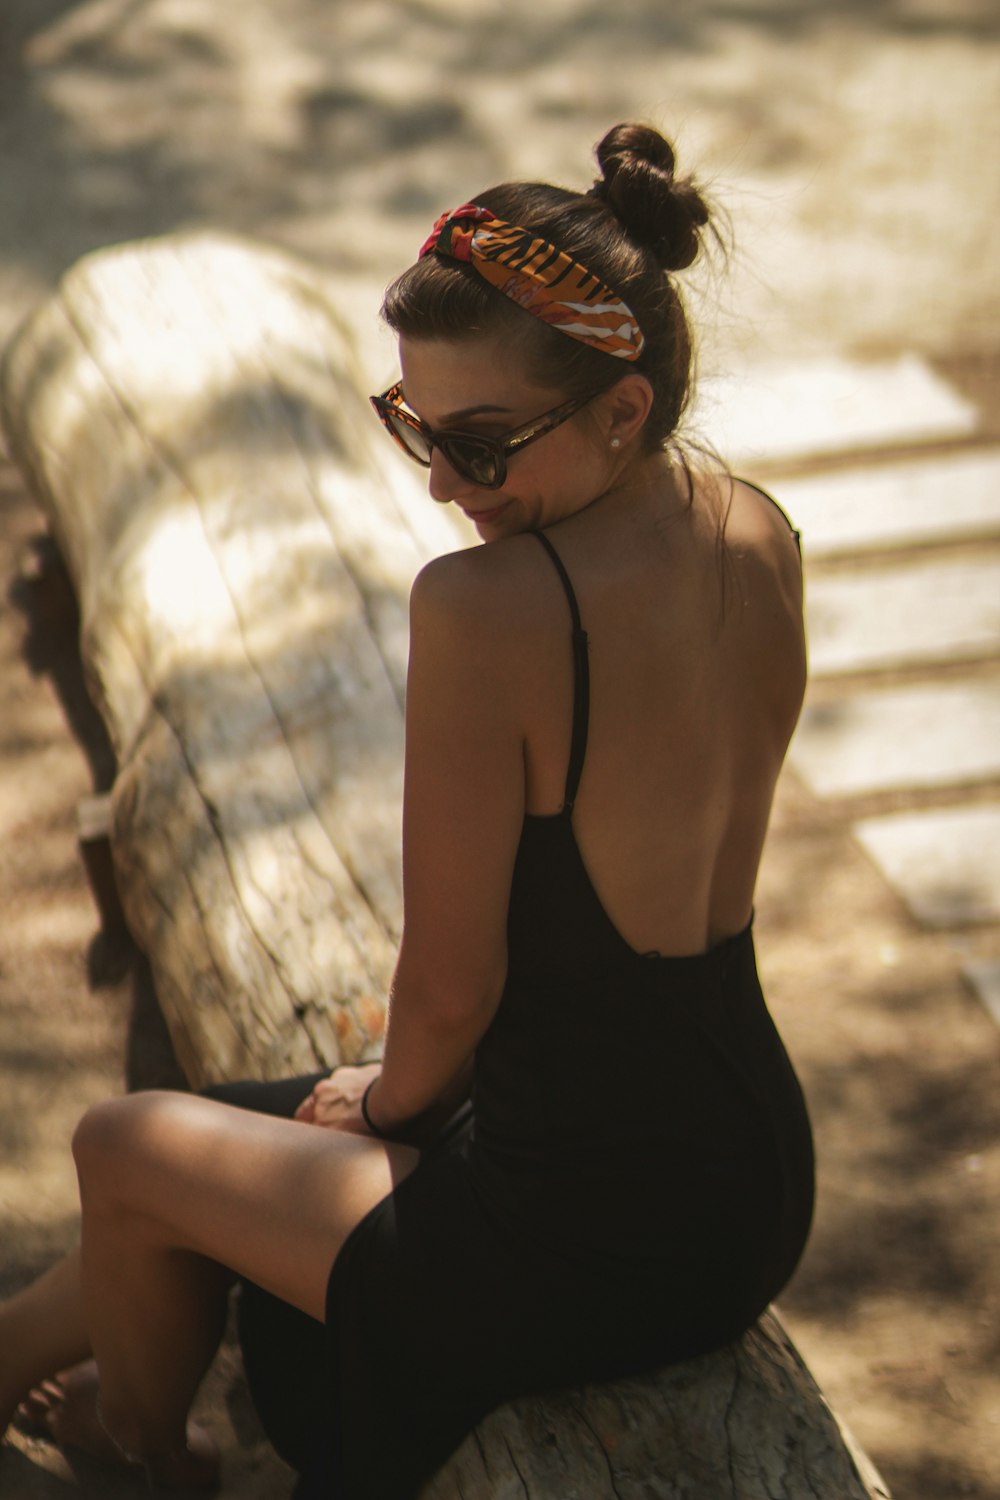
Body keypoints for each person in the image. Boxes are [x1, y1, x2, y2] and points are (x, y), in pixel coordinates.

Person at [0, 121, 814, 1498]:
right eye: (416, 429)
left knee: (123, 1145)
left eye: (483, 443)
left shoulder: (495, 609)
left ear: (624, 406)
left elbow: (446, 994)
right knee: (219, 1123)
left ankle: (138, 1450)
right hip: (745, 1179)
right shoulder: (757, 527)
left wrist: (389, 1098)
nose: (442, 484)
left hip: (564, 1220)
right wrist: (397, 1102)